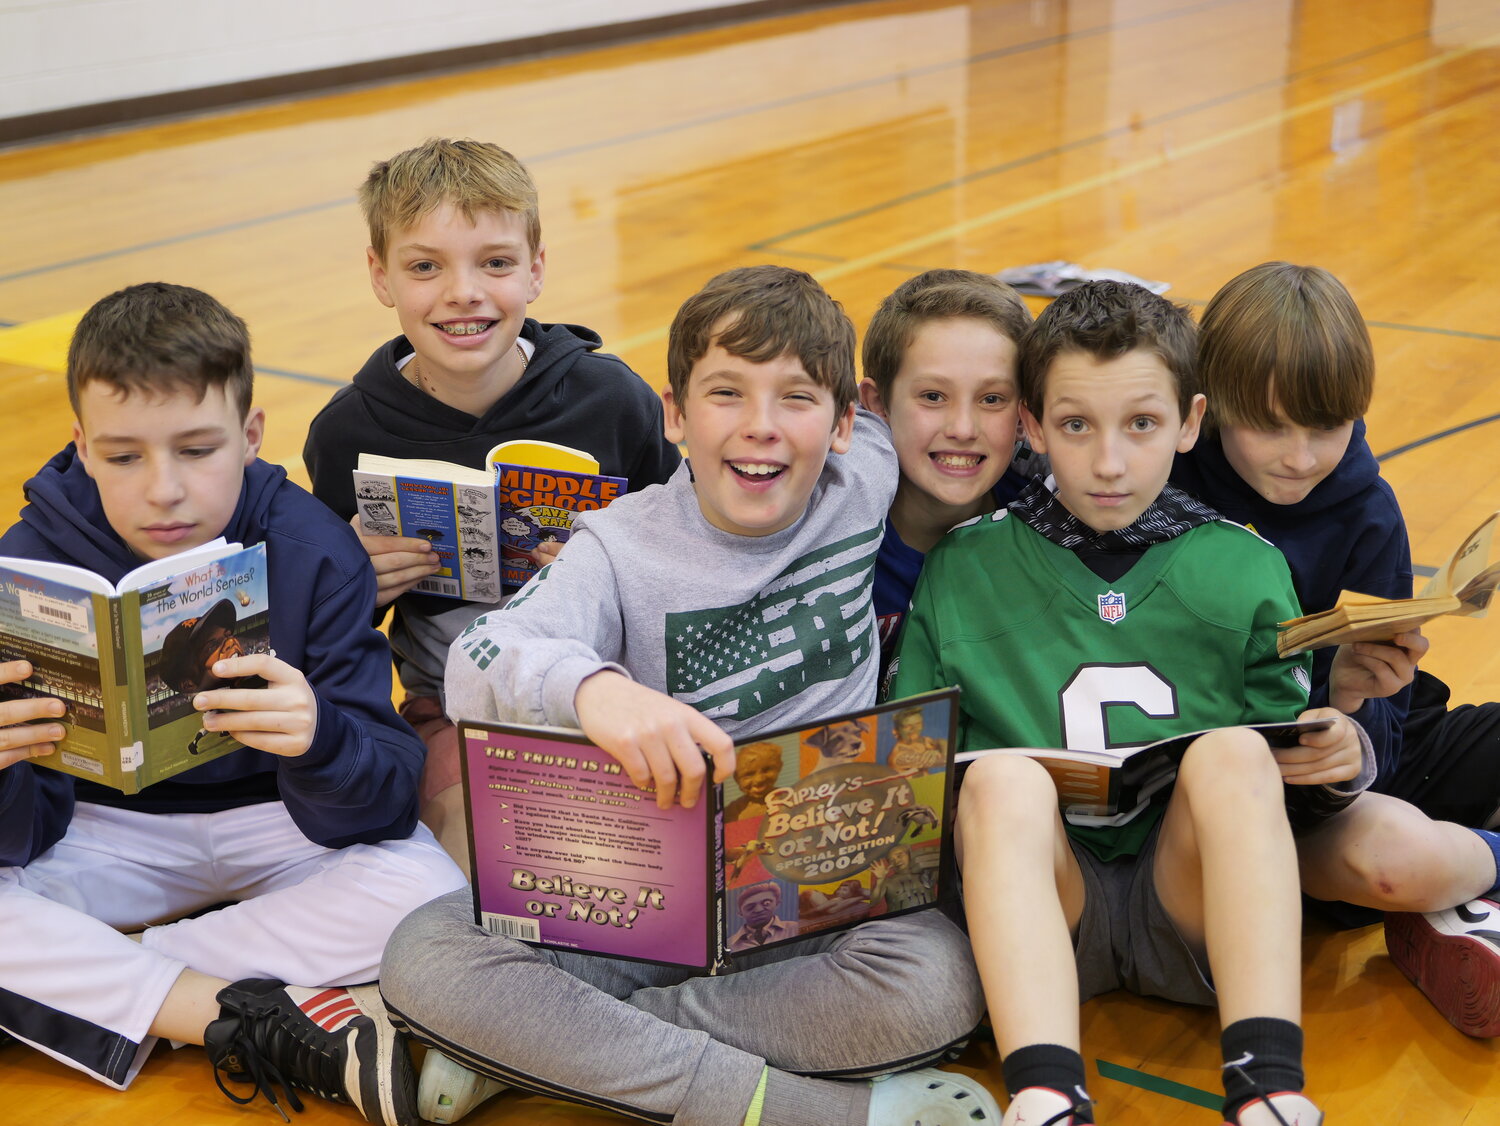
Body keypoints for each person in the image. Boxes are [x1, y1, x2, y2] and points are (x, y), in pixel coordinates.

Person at [379, 265, 993, 1126]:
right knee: (427, 955)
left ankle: (550, 1054)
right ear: (675, 415)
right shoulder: (616, 547)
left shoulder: (866, 476)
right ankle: (824, 1115)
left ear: (851, 422)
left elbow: (992, 427)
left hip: (819, 896)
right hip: (632, 902)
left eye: (796, 399)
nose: (761, 429)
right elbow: (478, 659)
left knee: (939, 980)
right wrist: (595, 690)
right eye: (726, 394)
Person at [890, 281, 1374, 1126]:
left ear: (1189, 424)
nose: (1109, 463)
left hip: (1187, 911)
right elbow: (913, 766)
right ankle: (1045, 1091)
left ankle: (1267, 1082)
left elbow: (1281, 780)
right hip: (1045, 916)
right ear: (1035, 427)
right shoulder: (963, 567)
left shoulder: (1246, 566)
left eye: (1141, 425)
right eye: (1076, 426)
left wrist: (1338, 755)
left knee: (1234, 753)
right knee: (999, 782)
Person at [0, 284, 466, 1125]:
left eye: (196, 449)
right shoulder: (29, 566)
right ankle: (230, 1014)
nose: (164, 490)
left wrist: (321, 741)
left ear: (251, 438)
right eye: (124, 456)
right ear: (80, 444)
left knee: (430, 892)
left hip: (279, 824)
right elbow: (18, 837)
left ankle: (112, 985)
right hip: (105, 832)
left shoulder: (313, 547)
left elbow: (387, 801)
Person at [303, 138, 681, 869]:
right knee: (490, 881)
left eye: (495, 263)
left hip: (615, 698)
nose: (463, 292)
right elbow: (326, 638)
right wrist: (349, 580)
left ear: (536, 269)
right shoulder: (346, 432)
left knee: (646, 869)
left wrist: (616, 565)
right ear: (381, 277)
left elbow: (688, 555)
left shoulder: (612, 401)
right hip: (457, 717)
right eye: (424, 267)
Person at [1172, 261, 1500, 1038]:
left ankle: (1463, 905)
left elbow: (1381, 739)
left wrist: (1349, 704)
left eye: (1327, 427)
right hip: (1268, 804)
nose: (1301, 455)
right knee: (1385, 863)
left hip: (1370, 754)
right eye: (1270, 426)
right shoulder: (1168, 487)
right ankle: (1465, 889)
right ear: (1208, 410)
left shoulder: (1368, 510)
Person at [857, 269, 1036, 668]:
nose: (962, 429)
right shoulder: (825, 534)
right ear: (877, 402)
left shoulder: (1053, 526)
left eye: (992, 399)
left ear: (1026, 413)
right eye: (933, 396)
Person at [723, 741, 784, 821]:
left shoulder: (793, 799)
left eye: (766, 770)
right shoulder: (731, 812)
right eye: (749, 774)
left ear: (779, 767)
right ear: (736, 778)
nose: (759, 779)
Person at [729, 883, 798, 950]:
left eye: (766, 903)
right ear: (740, 913)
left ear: (777, 903)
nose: (759, 910)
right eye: (750, 907)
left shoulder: (795, 929)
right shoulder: (730, 944)